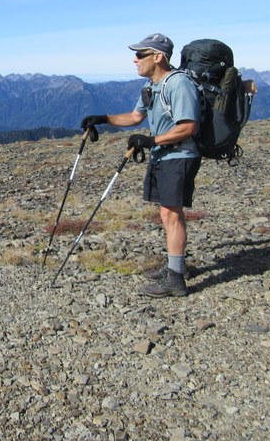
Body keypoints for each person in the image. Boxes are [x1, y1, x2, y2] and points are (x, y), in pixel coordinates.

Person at [81, 33, 201, 298]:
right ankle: (174, 267)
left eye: (140, 54)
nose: (134, 59)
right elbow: (136, 117)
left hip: (179, 156)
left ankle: (176, 279)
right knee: (166, 214)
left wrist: (151, 140)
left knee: (172, 215)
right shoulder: (151, 86)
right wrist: (102, 119)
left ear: (158, 57)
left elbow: (189, 126)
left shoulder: (178, 84)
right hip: (163, 156)